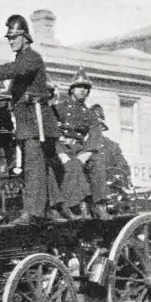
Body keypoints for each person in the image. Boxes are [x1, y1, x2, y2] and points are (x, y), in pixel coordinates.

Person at [0, 14, 60, 225]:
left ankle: (34, 212)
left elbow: (15, 70)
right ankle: (49, 209)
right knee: (38, 166)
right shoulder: (22, 59)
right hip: (27, 123)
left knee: (34, 166)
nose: (11, 41)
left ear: (26, 38)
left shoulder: (31, 57)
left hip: (36, 122)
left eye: (14, 37)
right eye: (9, 38)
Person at [53, 67, 110, 219]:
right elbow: (51, 131)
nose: (83, 90)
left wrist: (88, 153)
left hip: (79, 149)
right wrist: (60, 152)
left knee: (98, 162)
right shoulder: (59, 108)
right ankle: (74, 205)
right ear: (72, 89)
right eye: (79, 87)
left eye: (86, 88)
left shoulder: (90, 113)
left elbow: (95, 134)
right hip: (60, 147)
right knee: (73, 165)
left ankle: (99, 204)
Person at [89, 104, 133, 189]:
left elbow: (123, 168)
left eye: (98, 125)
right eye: (92, 126)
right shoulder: (80, 144)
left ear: (102, 127)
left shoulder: (112, 147)